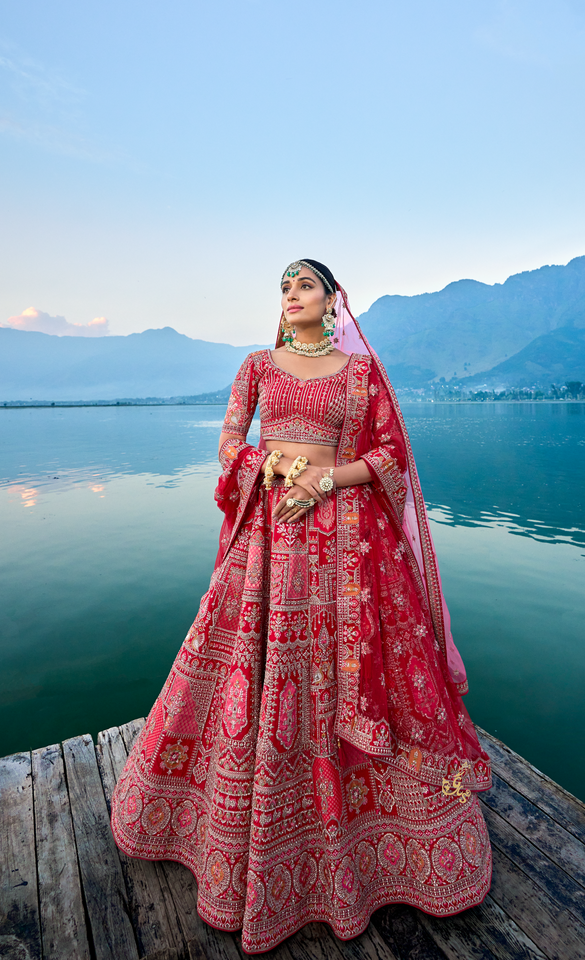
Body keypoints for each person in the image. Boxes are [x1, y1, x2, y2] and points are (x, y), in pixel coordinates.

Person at [111, 260, 492, 954]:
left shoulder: (358, 374)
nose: (292, 295)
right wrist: (279, 468)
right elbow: (230, 443)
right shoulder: (258, 365)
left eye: (305, 285)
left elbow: (389, 455)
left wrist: (324, 480)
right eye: (284, 287)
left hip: (349, 543)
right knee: (257, 671)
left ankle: (374, 849)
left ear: (332, 300)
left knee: (358, 676)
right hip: (271, 539)